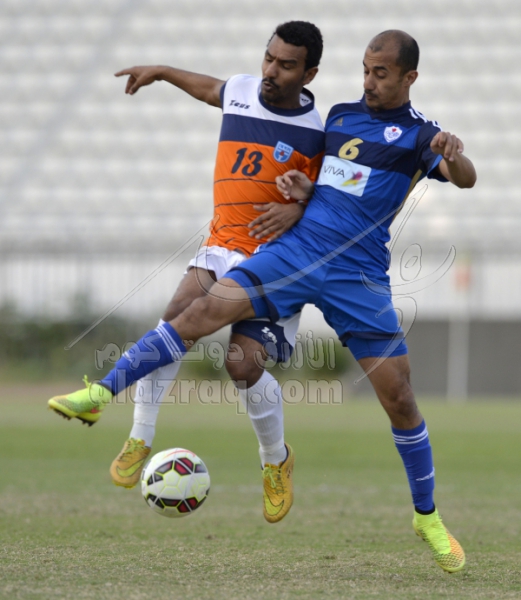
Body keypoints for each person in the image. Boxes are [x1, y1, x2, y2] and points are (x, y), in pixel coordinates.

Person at [48, 30, 476, 572]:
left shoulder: (420, 135)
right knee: (198, 313)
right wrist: (304, 195)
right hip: (295, 254)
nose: (369, 82)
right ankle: (100, 393)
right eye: (366, 70)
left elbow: (466, 179)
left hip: (357, 276)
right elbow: (332, 183)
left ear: (409, 77)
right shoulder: (341, 117)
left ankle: (427, 517)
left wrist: (454, 153)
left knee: (400, 399)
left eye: (382, 74)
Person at [49, 21, 325, 524]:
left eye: (286, 65)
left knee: (242, 366)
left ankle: (275, 460)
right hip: (221, 244)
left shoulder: (318, 131)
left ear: (309, 74)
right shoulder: (242, 91)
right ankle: (138, 436)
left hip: (275, 260)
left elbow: (332, 203)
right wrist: (161, 71)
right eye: (268, 58)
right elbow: (208, 88)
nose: (271, 71)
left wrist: (299, 208)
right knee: (177, 316)